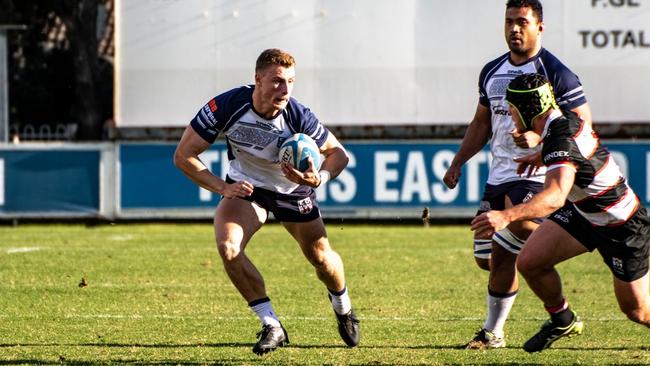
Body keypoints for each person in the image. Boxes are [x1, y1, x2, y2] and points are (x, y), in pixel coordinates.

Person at [173, 48, 360, 355]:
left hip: (293, 190)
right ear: (257, 79)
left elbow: (338, 154)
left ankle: (343, 307)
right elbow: (183, 155)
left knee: (322, 259)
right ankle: (272, 325)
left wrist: (318, 179)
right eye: (276, 81)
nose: (284, 90)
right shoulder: (227, 105)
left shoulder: (298, 115)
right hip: (247, 187)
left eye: (290, 82)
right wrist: (222, 186)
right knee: (228, 248)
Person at [442, 0, 593, 349]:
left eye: (522, 22)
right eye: (509, 21)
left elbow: (582, 126)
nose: (514, 28)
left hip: (537, 173)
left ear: (540, 27)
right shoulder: (491, 71)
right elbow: (481, 123)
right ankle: (498, 330)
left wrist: (541, 139)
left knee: (514, 233)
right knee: (489, 259)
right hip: (499, 174)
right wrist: (458, 161)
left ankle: (553, 259)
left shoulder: (557, 72)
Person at [472, 72, 650, 352]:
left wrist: (505, 216)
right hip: (584, 215)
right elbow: (579, 152)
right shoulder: (561, 122)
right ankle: (563, 319)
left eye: (513, 111)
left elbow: (554, 198)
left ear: (528, 110)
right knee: (530, 261)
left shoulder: (560, 139)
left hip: (622, 225)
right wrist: (540, 155)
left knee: (638, 312)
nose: (511, 118)